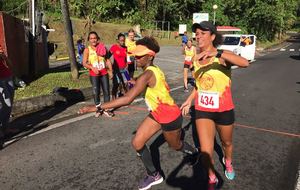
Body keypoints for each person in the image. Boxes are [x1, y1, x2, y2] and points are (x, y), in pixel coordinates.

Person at [79, 37, 199, 190]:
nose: (136, 58)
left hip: (170, 117)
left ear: (150, 56)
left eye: (140, 55)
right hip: (157, 114)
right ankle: (154, 175)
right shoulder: (151, 71)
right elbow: (144, 81)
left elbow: (128, 99)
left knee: (175, 146)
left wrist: (97, 107)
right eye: (136, 54)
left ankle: (194, 152)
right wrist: (134, 81)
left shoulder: (148, 74)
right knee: (137, 142)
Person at [180, 21, 249, 189]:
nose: (198, 36)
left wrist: (216, 54)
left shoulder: (223, 55)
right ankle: (212, 176)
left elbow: (244, 63)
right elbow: (199, 85)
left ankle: (228, 161)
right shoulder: (195, 59)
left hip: (224, 109)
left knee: (226, 143)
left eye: (203, 33)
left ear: (212, 36)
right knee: (206, 149)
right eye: (196, 33)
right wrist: (190, 100)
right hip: (203, 110)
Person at [82, 31, 114, 117]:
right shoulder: (87, 50)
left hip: (104, 73)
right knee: (96, 92)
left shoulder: (102, 48)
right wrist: (92, 67)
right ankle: (99, 109)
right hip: (94, 75)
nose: (93, 40)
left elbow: (107, 60)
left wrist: (110, 71)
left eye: (95, 38)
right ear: (89, 40)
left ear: (97, 39)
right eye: (91, 38)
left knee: (106, 91)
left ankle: (107, 109)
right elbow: (84, 63)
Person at [0, 45, 14, 149]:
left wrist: (4, 56)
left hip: (7, 76)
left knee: (10, 103)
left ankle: (6, 128)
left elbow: (10, 64)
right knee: (7, 103)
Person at [108, 33, 130, 99]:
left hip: (125, 69)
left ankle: (125, 97)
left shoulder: (125, 48)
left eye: (124, 40)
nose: (122, 42)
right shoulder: (114, 47)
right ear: (118, 40)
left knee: (127, 82)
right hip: (116, 69)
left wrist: (127, 65)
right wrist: (110, 65)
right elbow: (107, 57)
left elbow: (127, 58)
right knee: (116, 84)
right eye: (121, 40)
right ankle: (113, 96)